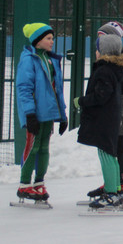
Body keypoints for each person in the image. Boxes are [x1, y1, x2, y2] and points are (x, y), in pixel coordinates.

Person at [75, 34, 123, 208]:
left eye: (97, 49)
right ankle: (114, 189)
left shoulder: (104, 70)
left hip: (104, 119)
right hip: (109, 118)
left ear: (104, 51)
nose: (95, 52)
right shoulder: (115, 69)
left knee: (106, 154)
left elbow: (101, 96)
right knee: (110, 154)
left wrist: (81, 101)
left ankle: (112, 193)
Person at [15, 23, 68, 202]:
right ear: (37, 41)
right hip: (36, 114)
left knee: (44, 148)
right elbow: (24, 88)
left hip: (48, 113)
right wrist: (30, 113)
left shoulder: (51, 60)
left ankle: (39, 182)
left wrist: (62, 116)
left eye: (52, 38)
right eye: (48, 38)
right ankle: (24, 184)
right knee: (33, 146)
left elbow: (57, 90)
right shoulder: (29, 60)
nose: (52, 41)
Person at [86, 21, 123, 201]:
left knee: (119, 145)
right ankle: (111, 183)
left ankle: (122, 184)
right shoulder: (107, 59)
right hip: (112, 106)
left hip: (121, 107)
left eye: (103, 37)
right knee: (111, 146)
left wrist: (120, 113)